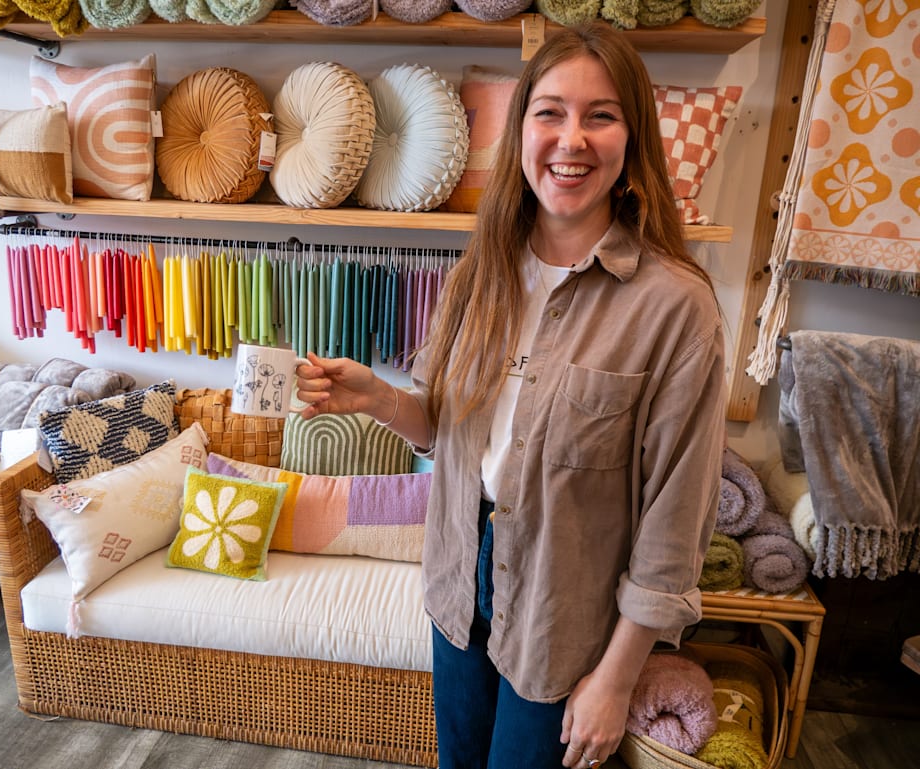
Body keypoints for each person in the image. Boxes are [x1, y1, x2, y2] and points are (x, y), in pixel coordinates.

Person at [294, 21, 726, 769]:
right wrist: (378, 399)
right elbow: (447, 433)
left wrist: (616, 679)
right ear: (522, 129)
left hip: (566, 611)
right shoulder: (479, 274)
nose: (571, 139)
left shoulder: (675, 307)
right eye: (550, 112)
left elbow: (675, 517)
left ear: (632, 140)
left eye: (601, 115)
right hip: (459, 581)